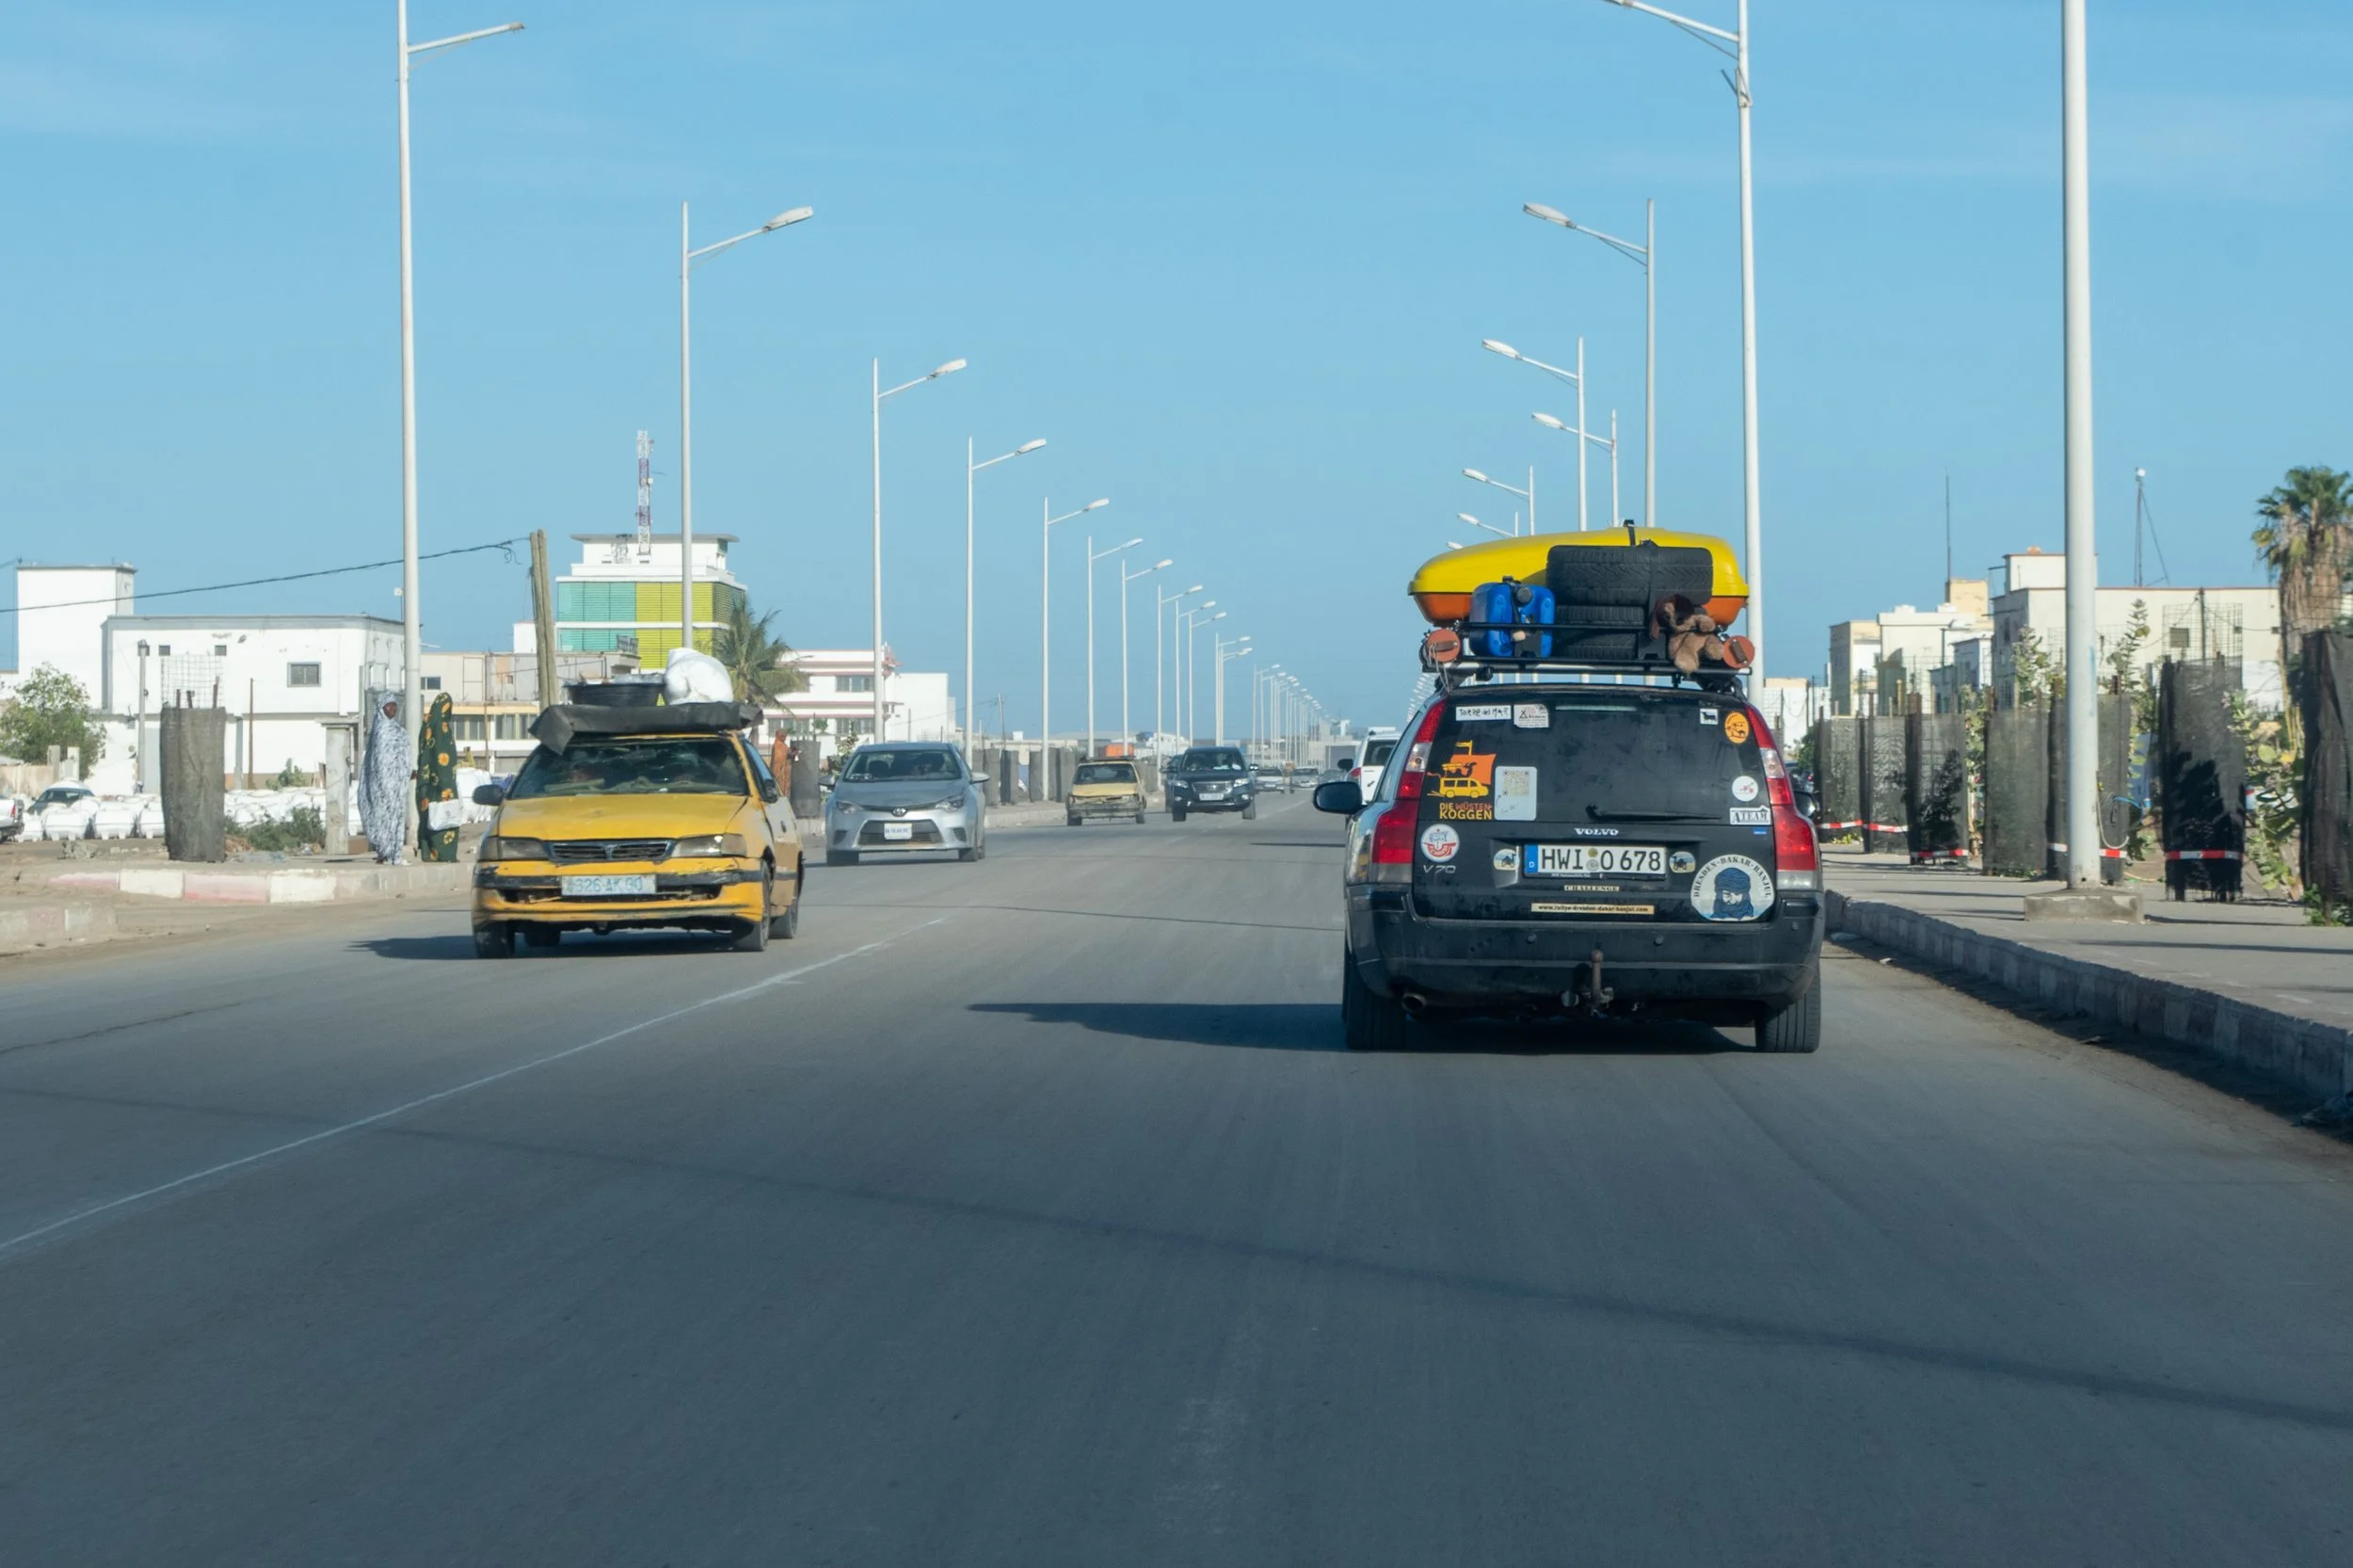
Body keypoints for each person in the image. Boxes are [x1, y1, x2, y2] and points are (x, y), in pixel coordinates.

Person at [360, 697, 412, 864]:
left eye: (394, 705)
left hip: (398, 784)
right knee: (382, 817)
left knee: (397, 817)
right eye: (388, 706)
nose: (392, 709)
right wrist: (384, 780)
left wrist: (406, 772)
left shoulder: (398, 730)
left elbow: (402, 755)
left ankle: (395, 853)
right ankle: (384, 851)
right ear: (382, 708)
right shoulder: (380, 730)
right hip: (382, 785)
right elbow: (377, 760)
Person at [415, 693, 460, 863]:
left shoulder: (427, 726)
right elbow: (444, 760)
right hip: (443, 784)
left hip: (426, 785)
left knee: (429, 818)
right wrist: (446, 784)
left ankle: (428, 853)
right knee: (447, 818)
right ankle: (446, 855)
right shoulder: (442, 729)